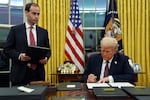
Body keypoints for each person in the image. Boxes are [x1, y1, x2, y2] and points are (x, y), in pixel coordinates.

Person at [4, 3, 51, 86]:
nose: (36, 16)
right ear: (26, 13)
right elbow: (7, 50)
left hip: (38, 74)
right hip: (20, 74)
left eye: (38, 14)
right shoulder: (15, 30)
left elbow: (48, 50)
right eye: (34, 13)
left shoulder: (43, 32)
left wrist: (46, 58)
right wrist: (19, 56)